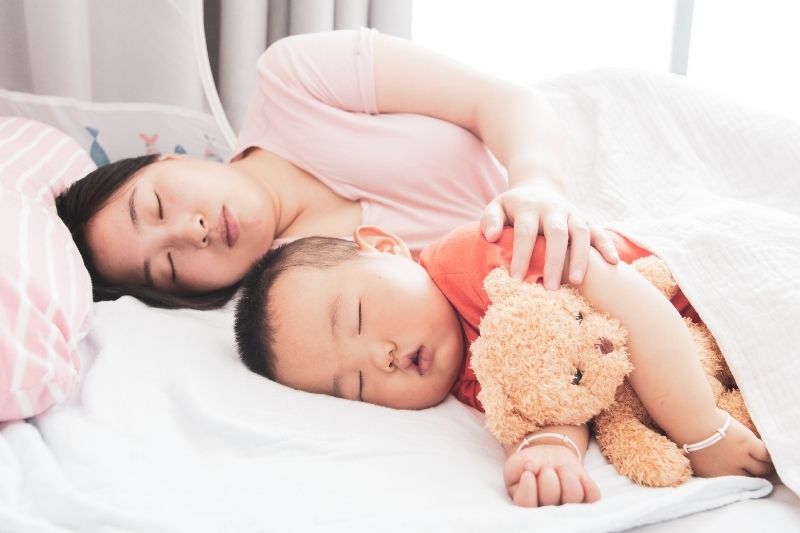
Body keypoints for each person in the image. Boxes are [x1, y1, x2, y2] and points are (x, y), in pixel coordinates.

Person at [55, 28, 619, 310]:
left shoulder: (292, 79)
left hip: (602, 146)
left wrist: (539, 184)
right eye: (170, 268)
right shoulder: (299, 300)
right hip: (605, 280)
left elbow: (502, 101)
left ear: (168, 157)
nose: (189, 232)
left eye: (155, 205)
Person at [233, 223, 773, 508]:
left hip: (700, 292)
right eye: (356, 384)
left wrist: (700, 430)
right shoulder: (469, 375)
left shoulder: (478, 258)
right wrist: (549, 450)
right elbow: (553, 394)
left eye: (355, 317)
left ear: (386, 248)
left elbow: (631, 303)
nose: (383, 357)